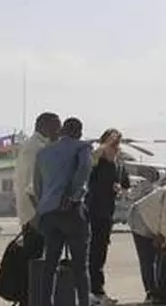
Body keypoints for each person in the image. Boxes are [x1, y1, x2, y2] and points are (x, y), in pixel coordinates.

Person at [34, 116, 94, 306]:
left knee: (50, 264)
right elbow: (84, 169)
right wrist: (74, 196)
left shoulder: (43, 153)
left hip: (48, 213)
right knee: (80, 267)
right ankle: (83, 302)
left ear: (62, 131)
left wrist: (44, 204)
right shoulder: (82, 148)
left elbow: (37, 185)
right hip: (71, 212)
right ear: (79, 133)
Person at [88, 128, 131, 303]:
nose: (116, 148)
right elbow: (87, 167)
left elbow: (126, 185)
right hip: (91, 212)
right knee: (89, 252)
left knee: (100, 253)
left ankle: (97, 290)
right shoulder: (96, 161)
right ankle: (90, 290)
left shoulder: (119, 165)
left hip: (107, 214)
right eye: (113, 144)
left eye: (117, 144)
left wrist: (120, 189)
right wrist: (103, 147)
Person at [17, 113, 61, 257]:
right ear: (46, 127)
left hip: (34, 212)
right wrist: (40, 214)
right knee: (36, 258)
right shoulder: (37, 149)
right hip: (35, 214)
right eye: (57, 127)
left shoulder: (34, 145)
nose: (59, 132)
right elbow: (31, 187)